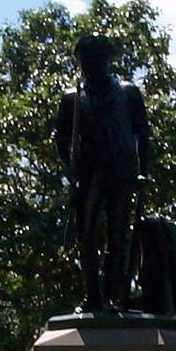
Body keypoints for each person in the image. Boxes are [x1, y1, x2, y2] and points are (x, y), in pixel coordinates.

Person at [55, 33, 150, 312]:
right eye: (86, 60)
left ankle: (112, 295)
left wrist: (144, 171)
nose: (91, 65)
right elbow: (60, 138)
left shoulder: (128, 93)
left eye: (96, 59)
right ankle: (92, 296)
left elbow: (143, 134)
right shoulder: (72, 98)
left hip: (121, 173)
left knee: (118, 235)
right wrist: (69, 166)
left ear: (107, 60)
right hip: (88, 175)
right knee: (85, 235)